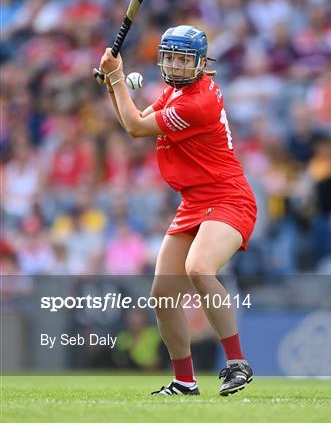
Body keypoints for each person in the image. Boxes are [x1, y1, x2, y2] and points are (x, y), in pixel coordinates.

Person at [98, 25, 257, 396]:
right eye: (170, 57)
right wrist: (111, 82)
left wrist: (116, 76)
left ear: (201, 64)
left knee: (199, 268)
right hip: (194, 202)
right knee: (163, 293)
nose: (176, 66)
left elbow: (137, 128)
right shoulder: (175, 91)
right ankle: (185, 381)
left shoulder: (195, 102)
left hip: (229, 197)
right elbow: (129, 121)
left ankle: (237, 362)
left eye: (185, 60)